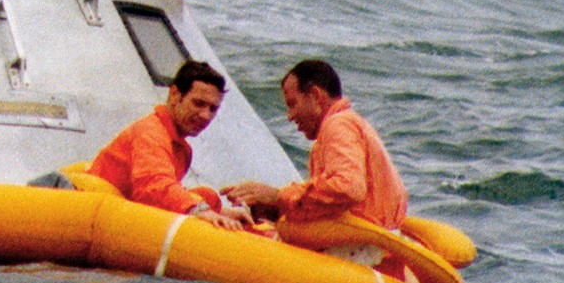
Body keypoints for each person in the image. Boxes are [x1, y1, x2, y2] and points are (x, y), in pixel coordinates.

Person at [231, 58, 408, 231]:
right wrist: (273, 206)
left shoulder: (338, 124)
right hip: (371, 237)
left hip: (361, 243)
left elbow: (349, 188)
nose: (289, 116)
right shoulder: (350, 123)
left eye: (293, 104)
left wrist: (278, 196)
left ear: (315, 96)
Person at [85, 61, 242, 220]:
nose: (206, 116)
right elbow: (152, 188)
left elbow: (168, 194)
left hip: (123, 213)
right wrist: (199, 209)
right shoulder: (150, 132)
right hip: (93, 215)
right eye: (199, 104)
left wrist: (224, 212)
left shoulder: (182, 150)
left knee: (208, 196)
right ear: (175, 95)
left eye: (213, 109)